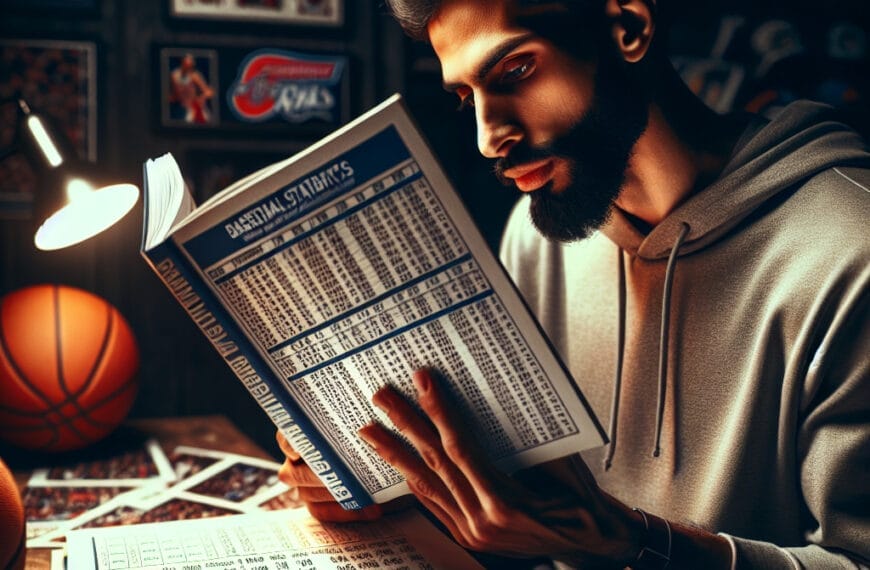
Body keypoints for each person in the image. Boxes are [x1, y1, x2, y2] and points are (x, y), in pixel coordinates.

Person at [277, 0, 870, 567]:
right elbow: (527, 524)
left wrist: (633, 545)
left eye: (515, 68)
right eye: (467, 96)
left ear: (628, 27)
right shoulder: (539, 235)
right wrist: (391, 485)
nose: (489, 137)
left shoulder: (850, 251)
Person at [169, 53, 214, 124]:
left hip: (195, 108)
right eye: (188, 60)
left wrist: (202, 97)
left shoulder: (194, 76)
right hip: (180, 108)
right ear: (182, 61)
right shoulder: (174, 75)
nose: (191, 63)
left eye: (192, 61)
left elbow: (209, 92)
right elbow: (175, 94)